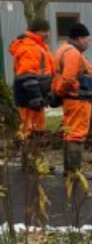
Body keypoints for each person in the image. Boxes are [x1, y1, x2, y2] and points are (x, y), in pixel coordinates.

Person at [53, 23, 92, 179]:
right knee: (76, 135)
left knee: (69, 133)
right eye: (87, 39)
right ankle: (74, 173)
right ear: (79, 38)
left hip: (72, 100)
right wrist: (60, 92)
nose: (88, 43)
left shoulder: (62, 50)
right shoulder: (72, 53)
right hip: (78, 100)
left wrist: (59, 93)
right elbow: (68, 79)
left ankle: (70, 170)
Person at [8, 18, 56, 163]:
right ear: (38, 31)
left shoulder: (39, 45)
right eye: (46, 31)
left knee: (37, 129)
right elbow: (28, 74)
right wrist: (36, 96)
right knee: (30, 129)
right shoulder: (30, 47)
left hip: (35, 96)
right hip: (30, 98)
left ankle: (35, 159)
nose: (48, 35)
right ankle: (30, 161)